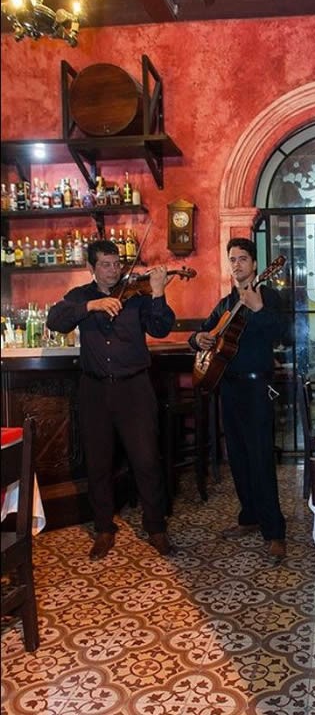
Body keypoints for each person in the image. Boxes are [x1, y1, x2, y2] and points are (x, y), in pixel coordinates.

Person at [47, 239, 175, 560]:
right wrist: (91, 306)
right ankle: (104, 528)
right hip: (95, 389)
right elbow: (55, 320)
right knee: (98, 462)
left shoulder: (137, 296)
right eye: (105, 264)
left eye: (116, 263)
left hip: (135, 388)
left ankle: (156, 527)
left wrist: (158, 293)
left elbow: (161, 327)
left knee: (146, 460)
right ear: (91, 268)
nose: (113, 270)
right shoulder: (81, 297)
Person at [188, 238, 287, 561]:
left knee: (260, 459)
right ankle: (250, 517)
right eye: (233, 259)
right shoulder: (226, 302)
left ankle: (275, 532)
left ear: (256, 265)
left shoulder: (269, 296)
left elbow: (285, 332)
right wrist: (197, 339)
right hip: (228, 387)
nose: (237, 265)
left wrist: (258, 310)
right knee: (239, 459)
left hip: (258, 388)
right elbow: (204, 332)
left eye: (243, 259)